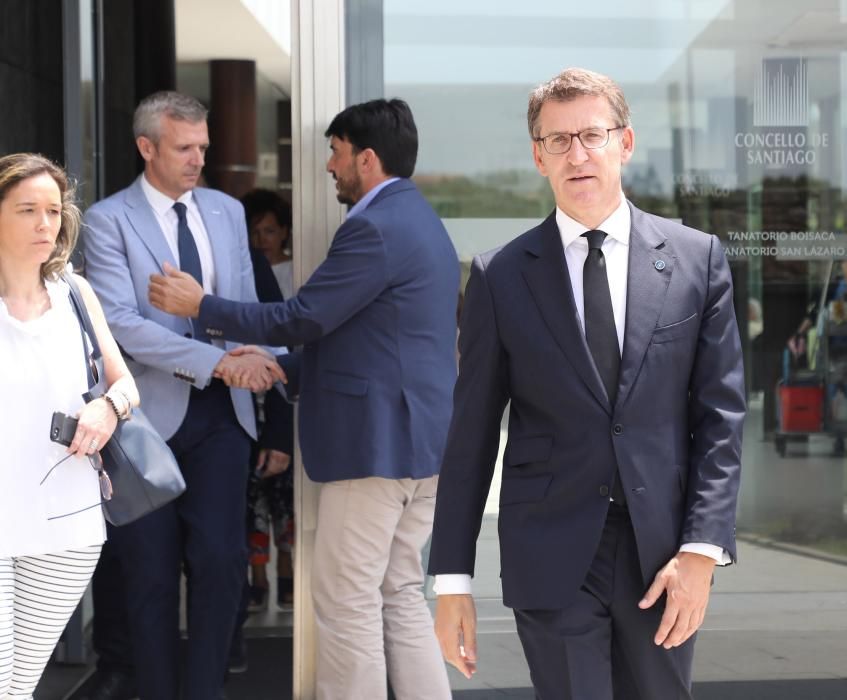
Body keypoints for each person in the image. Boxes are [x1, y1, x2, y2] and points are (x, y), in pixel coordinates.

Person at [427, 68, 746, 700]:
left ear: (624, 144)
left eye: (592, 136)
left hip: (664, 555)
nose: (577, 154)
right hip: (550, 553)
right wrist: (452, 582)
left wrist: (702, 552)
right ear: (537, 156)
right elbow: (471, 436)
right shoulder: (500, 276)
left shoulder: (695, 259)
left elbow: (721, 419)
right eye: (558, 140)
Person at [148, 98, 458, 700]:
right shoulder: (421, 220)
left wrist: (200, 306)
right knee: (397, 593)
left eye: (336, 153)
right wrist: (281, 369)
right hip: (419, 447)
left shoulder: (373, 226)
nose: (327, 167)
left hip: (376, 449)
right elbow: (366, 341)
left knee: (347, 602)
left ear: (366, 160)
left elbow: (304, 316)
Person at [81, 91, 284, 700]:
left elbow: (245, 308)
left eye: (203, 147)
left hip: (224, 419)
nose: (198, 159)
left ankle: (206, 690)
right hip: (144, 419)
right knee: (149, 576)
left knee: (222, 566)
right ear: (147, 148)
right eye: (184, 148)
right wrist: (219, 362)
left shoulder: (224, 211)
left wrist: (258, 358)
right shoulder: (108, 219)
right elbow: (120, 324)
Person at [0, 152, 139, 698]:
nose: (44, 224)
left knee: (18, 685)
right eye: (26, 209)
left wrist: (109, 408)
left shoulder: (75, 293)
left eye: (53, 211)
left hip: (65, 525)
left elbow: (125, 383)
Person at [240, 189, 296, 612]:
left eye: (270, 230)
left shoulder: (297, 271)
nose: (262, 239)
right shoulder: (241, 270)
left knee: (286, 497)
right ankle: (257, 577)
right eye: (255, 231)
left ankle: (288, 572)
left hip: (286, 389)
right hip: (246, 391)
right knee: (255, 496)